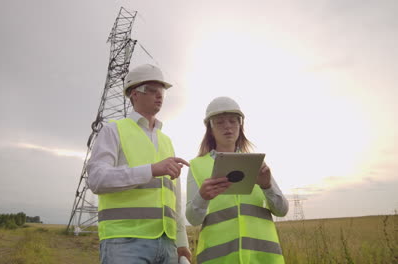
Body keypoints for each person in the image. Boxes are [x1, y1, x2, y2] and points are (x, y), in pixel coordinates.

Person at [87, 64, 192, 264]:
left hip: (167, 244)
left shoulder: (166, 141)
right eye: (151, 90)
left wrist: (181, 242)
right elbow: (97, 179)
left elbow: (174, 197)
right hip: (124, 242)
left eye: (161, 91)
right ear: (134, 94)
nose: (159, 96)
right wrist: (151, 170)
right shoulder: (113, 131)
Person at [186, 96, 289, 264]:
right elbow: (193, 219)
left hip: (263, 259)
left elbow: (282, 210)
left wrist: (267, 186)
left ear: (240, 126)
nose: (228, 126)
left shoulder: (258, 164)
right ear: (210, 129)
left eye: (233, 121)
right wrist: (202, 197)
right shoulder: (197, 166)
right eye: (220, 122)